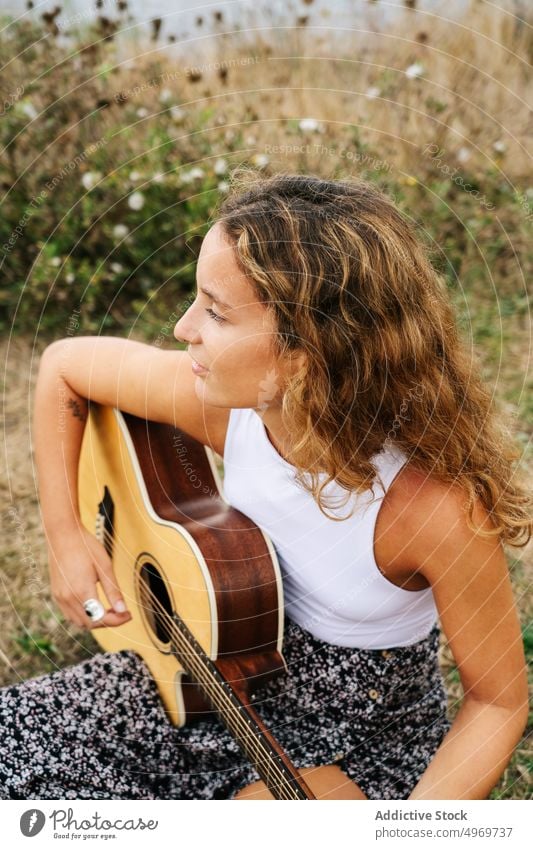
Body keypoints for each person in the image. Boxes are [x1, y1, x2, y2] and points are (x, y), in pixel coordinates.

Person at [0, 172, 530, 800]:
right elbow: (65, 367)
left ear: (306, 353)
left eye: (216, 313)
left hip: (351, 749)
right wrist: (66, 538)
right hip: (202, 673)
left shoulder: (433, 507)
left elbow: (497, 703)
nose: (181, 327)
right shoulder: (230, 409)